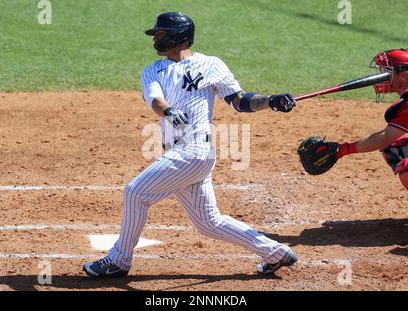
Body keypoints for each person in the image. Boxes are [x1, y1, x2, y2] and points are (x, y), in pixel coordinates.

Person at [83, 12, 297, 278]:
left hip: (194, 151)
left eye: (160, 34)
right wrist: (169, 111)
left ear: (178, 36)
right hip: (181, 154)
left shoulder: (212, 65)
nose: (155, 39)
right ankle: (275, 252)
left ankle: (119, 260)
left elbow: (240, 101)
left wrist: (271, 101)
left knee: (135, 192)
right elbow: (155, 101)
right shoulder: (153, 70)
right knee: (209, 223)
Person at [334, 48, 408, 216]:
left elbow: (383, 138)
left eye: (386, 72)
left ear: (403, 76)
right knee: (394, 148)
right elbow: (388, 141)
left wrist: (342, 150)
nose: (379, 77)